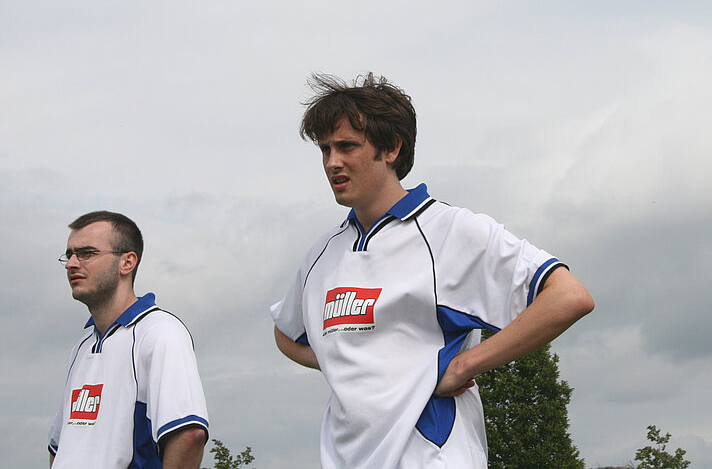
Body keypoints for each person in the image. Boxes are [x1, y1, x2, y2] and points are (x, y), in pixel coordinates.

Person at [270, 73, 594, 468]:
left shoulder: (449, 232)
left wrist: (463, 366)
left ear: (392, 147)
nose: (332, 162)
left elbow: (568, 296)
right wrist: (354, 365)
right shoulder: (322, 254)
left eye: (347, 146)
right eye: (325, 149)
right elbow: (286, 334)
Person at [48, 211, 208, 468]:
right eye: (70, 255)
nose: (72, 264)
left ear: (127, 262)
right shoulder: (82, 347)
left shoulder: (159, 332)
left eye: (87, 253)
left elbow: (189, 434)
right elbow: (59, 448)